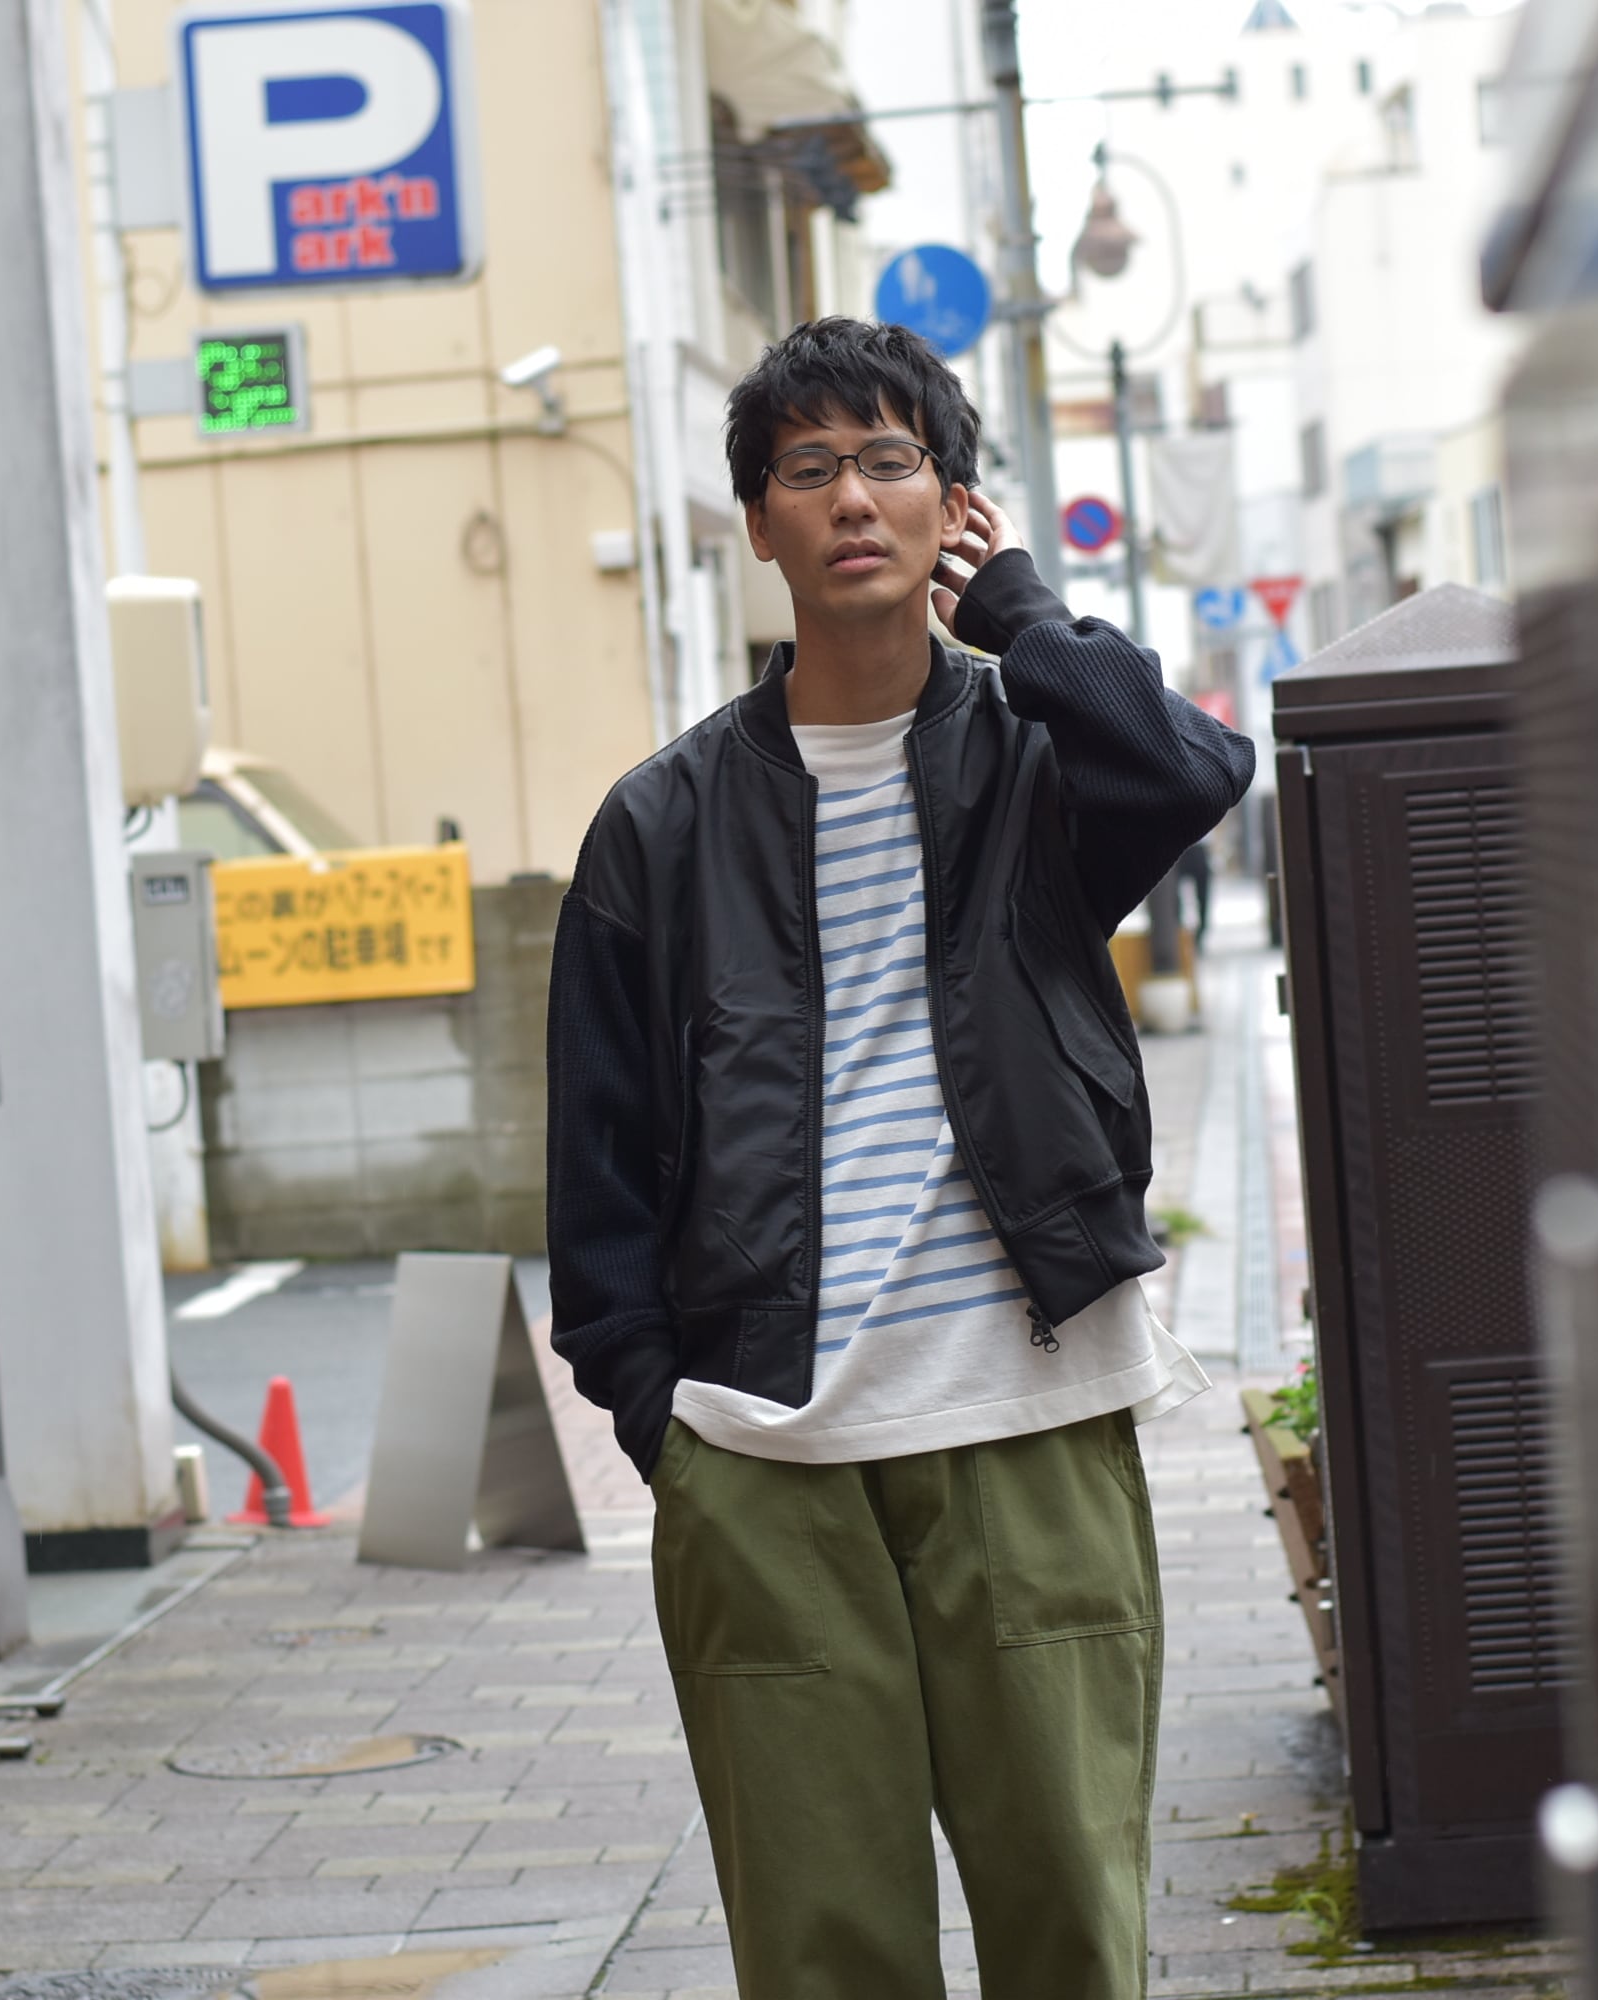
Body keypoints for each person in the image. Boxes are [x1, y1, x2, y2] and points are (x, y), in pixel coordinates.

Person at [545, 317, 1253, 1998]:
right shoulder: (660, 825)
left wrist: (1019, 613)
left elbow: (1193, 769)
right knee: (825, 1960)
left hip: (1030, 1420)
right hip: (765, 1463)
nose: (853, 499)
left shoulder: (1036, 758)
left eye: (890, 461)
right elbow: (599, 1167)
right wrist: (671, 1430)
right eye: (810, 470)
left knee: (1073, 1937)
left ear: (952, 504)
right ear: (759, 522)